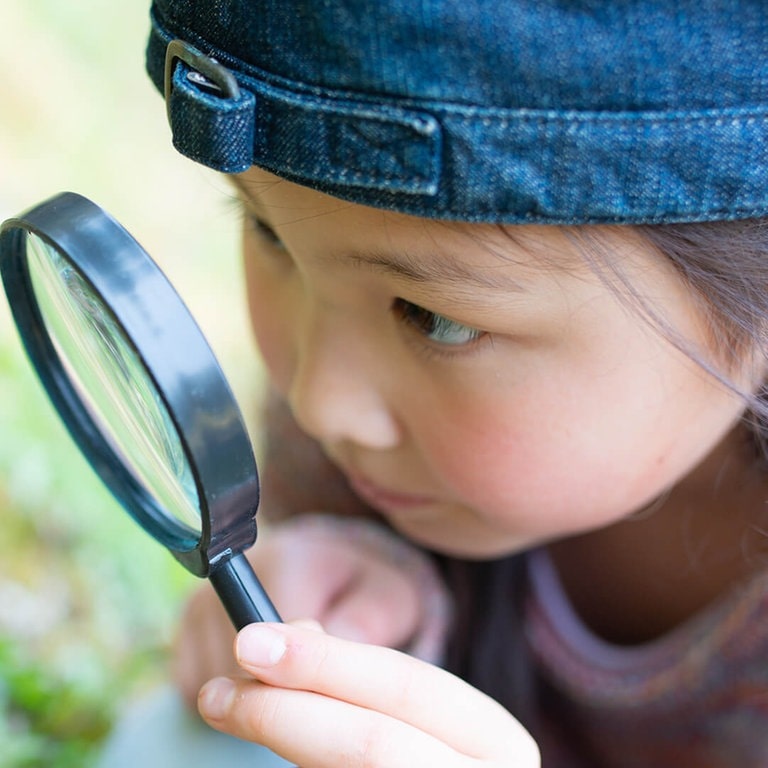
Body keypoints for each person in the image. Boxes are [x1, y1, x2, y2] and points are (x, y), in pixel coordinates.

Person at [99, 1, 768, 766]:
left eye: (435, 319)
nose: (320, 401)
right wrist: (352, 581)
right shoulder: (351, 429)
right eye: (268, 232)